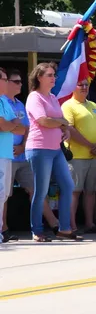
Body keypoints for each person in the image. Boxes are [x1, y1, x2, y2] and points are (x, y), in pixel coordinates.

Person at [25, 62, 80, 242]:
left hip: (56, 149)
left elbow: (59, 121)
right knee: (41, 191)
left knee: (68, 186)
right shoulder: (34, 97)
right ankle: (37, 230)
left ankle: (64, 228)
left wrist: (63, 127)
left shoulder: (53, 98)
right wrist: (61, 122)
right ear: (39, 77)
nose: (53, 78)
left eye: (53, 75)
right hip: (39, 148)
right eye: (49, 75)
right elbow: (44, 121)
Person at [4, 70, 60, 241]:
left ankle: (54, 224)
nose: (20, 84)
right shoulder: (2, 103)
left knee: (35, 190)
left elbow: (26, 128)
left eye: (21, 81)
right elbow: (5, 126)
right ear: (7, 84)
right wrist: (13, 129)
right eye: (16, 81)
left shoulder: (20, 104)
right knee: (4, 193)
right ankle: (3, 229)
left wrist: (22, 145)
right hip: (6, 153)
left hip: (22, 154)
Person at [62, 79, 96, 233]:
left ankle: (89, 224)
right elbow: (70, 129)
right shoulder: (68, 106)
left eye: (86, 84)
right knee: (74, 191)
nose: (84, 87)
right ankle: (72, 226)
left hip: (95, 156)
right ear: (72, 87)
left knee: (91, 191)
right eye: (80, 84)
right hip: (77, 156)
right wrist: (89, 145)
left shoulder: (93, 105)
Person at [0, 68, 25, 244]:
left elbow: (23, 128)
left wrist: (12, 124)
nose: (6, 81)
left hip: (6, 154)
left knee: (2, 195)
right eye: (4, 79)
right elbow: (4, 126)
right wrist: (12, 124)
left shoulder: (4, 101)